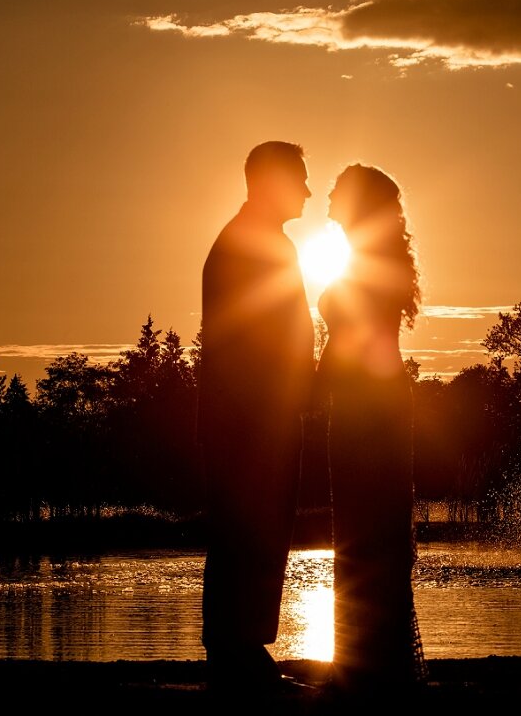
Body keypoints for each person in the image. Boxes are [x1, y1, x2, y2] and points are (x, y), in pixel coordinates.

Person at [197, 141, 316, 690]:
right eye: (301, 180)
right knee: (247, 531)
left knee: (262, 532)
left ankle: (240, 648)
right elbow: (254, 338)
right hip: (251, 420)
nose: (309, 192)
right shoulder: (249, 245)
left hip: (261, 416)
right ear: (271, 182)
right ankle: (234, 652)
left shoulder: (261, 242)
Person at [316, 163, 428, 692]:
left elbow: (353, 340)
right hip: (367, 402)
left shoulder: (370, 262)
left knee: (367, 531)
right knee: (360, 530)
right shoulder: (369, 258)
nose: (329, 196)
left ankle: (368, 668)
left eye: (338, 190)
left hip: (369, 407)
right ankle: (364, 662)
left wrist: (315, 388)